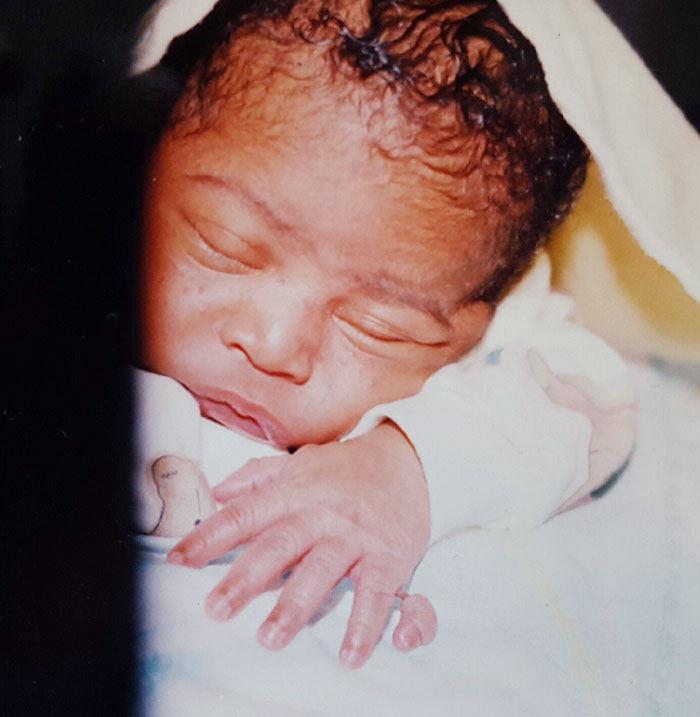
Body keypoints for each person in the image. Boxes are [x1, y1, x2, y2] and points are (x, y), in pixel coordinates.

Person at [135, 0, 636, 669]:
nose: (274, 345)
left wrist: (408, 467)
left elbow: (591, 397)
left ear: (476, 323)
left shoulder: (491, 333)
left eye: (375, 327)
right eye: (225, 246)